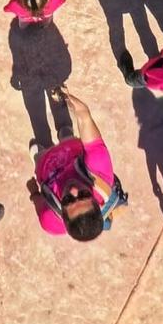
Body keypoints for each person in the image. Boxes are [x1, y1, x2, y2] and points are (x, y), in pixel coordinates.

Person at [29, 89, 123, 241]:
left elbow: (39, 204)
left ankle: (60, 138)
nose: (73, 190)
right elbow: (85, 119)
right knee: (57, 142)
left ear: (61, 215)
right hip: (68, 150)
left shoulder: (50, 222)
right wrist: (79, 108)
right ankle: (63, 136)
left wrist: (34, 193)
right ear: (96, 201)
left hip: (47, 164)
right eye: (84, 194)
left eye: (67, 200)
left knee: (42, 154)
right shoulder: (100, 173)